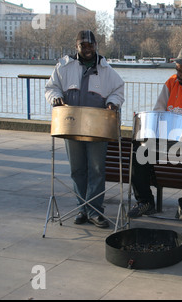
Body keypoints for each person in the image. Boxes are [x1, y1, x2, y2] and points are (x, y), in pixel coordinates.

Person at [45, 30, 125, 228]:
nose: (87, 49)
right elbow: (51, 87)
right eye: (83, 45)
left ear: (96, 45)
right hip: (71, 124)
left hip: (97, 127)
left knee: (97, 170)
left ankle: (95, 211)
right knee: (77, 169)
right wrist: (55, 97)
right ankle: (82, 208)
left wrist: (113, 103)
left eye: (90, 45)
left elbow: (118, 90)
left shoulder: (106, 70)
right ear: (77, 46)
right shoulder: (64, 67)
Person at [128, 44, 182, 222]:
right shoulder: (171, 82)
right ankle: (145, 201)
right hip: (164, 137)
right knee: (139, 151)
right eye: (177, 70)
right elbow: (159, 108)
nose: (178, 74)